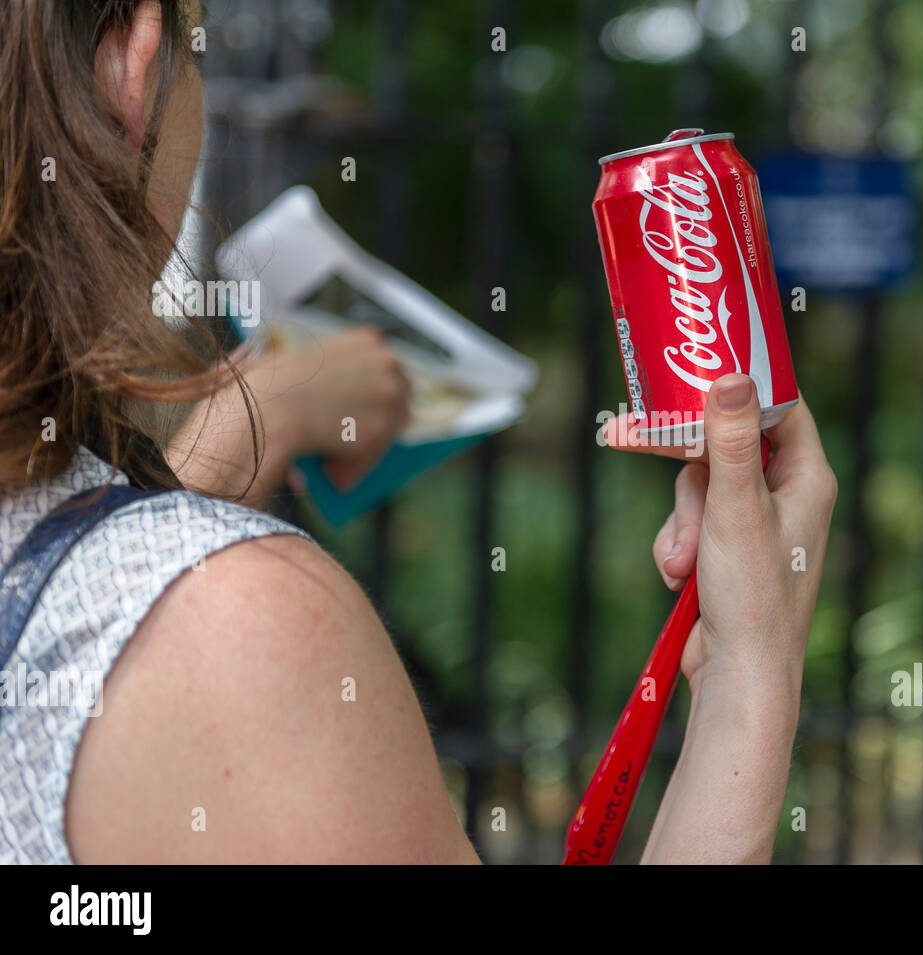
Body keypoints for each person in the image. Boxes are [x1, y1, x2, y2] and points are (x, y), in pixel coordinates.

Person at [0, 0, 837, 864]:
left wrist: (253, 422)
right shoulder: (242, 626)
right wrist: (750, 678)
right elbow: (122, 612)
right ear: (133, 67)